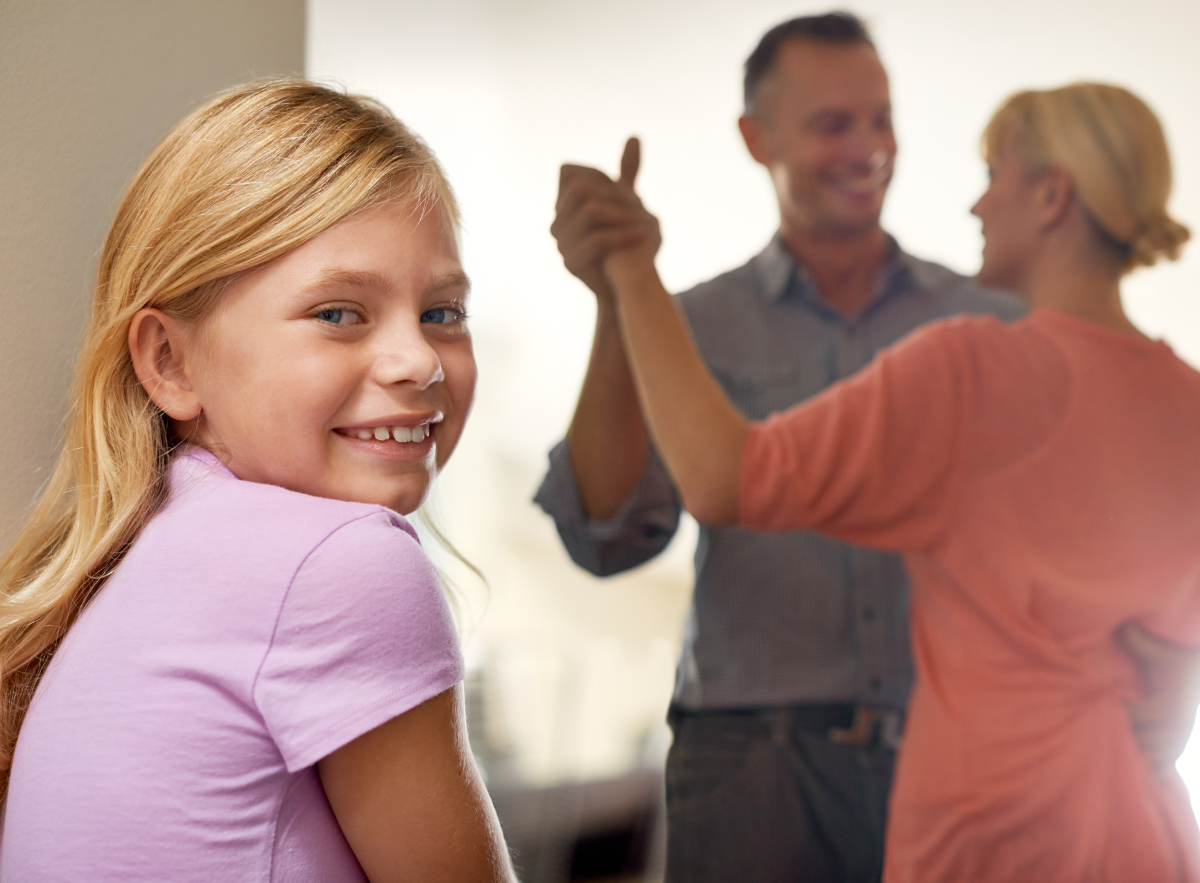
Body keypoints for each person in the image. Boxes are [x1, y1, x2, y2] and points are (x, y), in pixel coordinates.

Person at [560, 80, 1199, 881]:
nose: (976, 204)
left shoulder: (975, 365)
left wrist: (628, 269)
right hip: (1147, 829)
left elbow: (726, 478)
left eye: (995, 173)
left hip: (992, 831)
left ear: (1050, 194)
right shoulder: (1190, 400)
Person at [536, 13, 1023, 881]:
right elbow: (606, 537)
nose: (869, 147)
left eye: (881, 117)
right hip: (752, 767)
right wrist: (620, 289)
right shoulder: (690, 324)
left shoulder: (979, 321)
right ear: (756, 138)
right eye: (834, 123)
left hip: (956, 756)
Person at [0, 80, 515, 883]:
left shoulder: (158, 554)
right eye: (339, 313)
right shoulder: (342, 562)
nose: (418, 360)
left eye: (443, 313)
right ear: (170, 363)